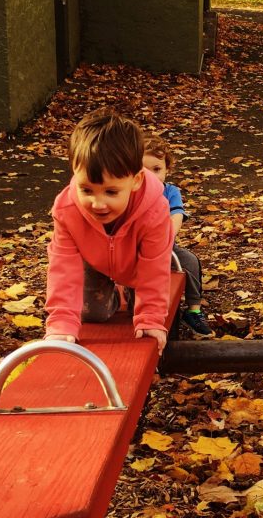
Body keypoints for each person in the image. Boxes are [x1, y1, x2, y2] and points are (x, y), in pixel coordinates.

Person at [44, 108, 174, 352]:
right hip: (94, 262)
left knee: (140, 313)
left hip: (137, 264)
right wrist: (61, 322)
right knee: (94, 314)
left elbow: (154, 265)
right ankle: (114, 294)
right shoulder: (67, 210)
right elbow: (63, 267)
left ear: (135, 181)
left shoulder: (155, 209)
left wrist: (150, 317)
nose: (98, 204)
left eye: (111, 192)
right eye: (87, 190)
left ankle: (129, 292)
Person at [142, 134, 213, 337]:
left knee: (190, 261)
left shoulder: (170, 192)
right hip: (137, 250)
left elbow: (177, 214)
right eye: (143, 171)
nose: (151, 176)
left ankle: (193, 310)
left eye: (157, 169)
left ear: (167, 169)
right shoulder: (131, 192)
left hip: (165, 248)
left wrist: (166, 237)